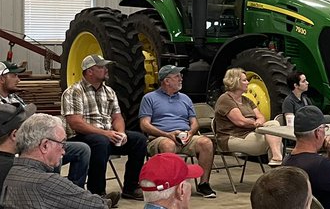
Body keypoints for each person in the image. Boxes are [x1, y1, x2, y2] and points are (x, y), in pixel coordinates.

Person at [0, 60, 91, 188]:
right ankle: (54, 193)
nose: (18, 80)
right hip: (19, 145)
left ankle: (75, 192)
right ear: (2, 78)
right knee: (51, 149)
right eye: (14, 76)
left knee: (82, 149)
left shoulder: (13, 98)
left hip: (33, 140)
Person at [62, 54, 146, 200]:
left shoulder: (109, 91)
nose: (106, 70)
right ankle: (97, 192)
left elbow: (117, 117)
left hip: (107, 135)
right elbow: (76, 123)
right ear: (89, 72)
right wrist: (106, 134)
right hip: (83, 136)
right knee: (100, 142)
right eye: (101, 67)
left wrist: (120, 133)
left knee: (139, 139)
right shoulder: (73, 92)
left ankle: (131, 187)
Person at [138, 64, 216, 198]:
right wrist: (166, 134)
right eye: (177, 76)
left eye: (181, 76)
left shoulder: (185, 98)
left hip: (186, 136)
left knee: (206, 143)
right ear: (166, 81)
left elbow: (194, 122)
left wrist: (190, 133)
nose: (181, 79)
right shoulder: (149, 98)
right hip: (160, 137)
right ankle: (172, 185)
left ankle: (204, 184)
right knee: (168, 145)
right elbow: (144, 124)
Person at [213, 67, 283, 166]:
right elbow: (240, 122)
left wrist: (257, 121)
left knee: (274, 124)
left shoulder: (246, 100)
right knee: (274, 142)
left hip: (250, 132)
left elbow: (261, 117)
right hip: (232, 137)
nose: (248, 83)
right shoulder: (225, 99)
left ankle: (276, 159)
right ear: (236, 82)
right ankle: (278, 169)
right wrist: (255, 122)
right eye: (244, 80)